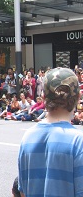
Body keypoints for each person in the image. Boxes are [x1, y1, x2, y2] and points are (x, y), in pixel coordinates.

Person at [18, 67, 83, 196]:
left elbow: (23, 192)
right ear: (78, 97)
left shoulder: (28, 137)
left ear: (43, 97)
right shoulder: (78, 142)